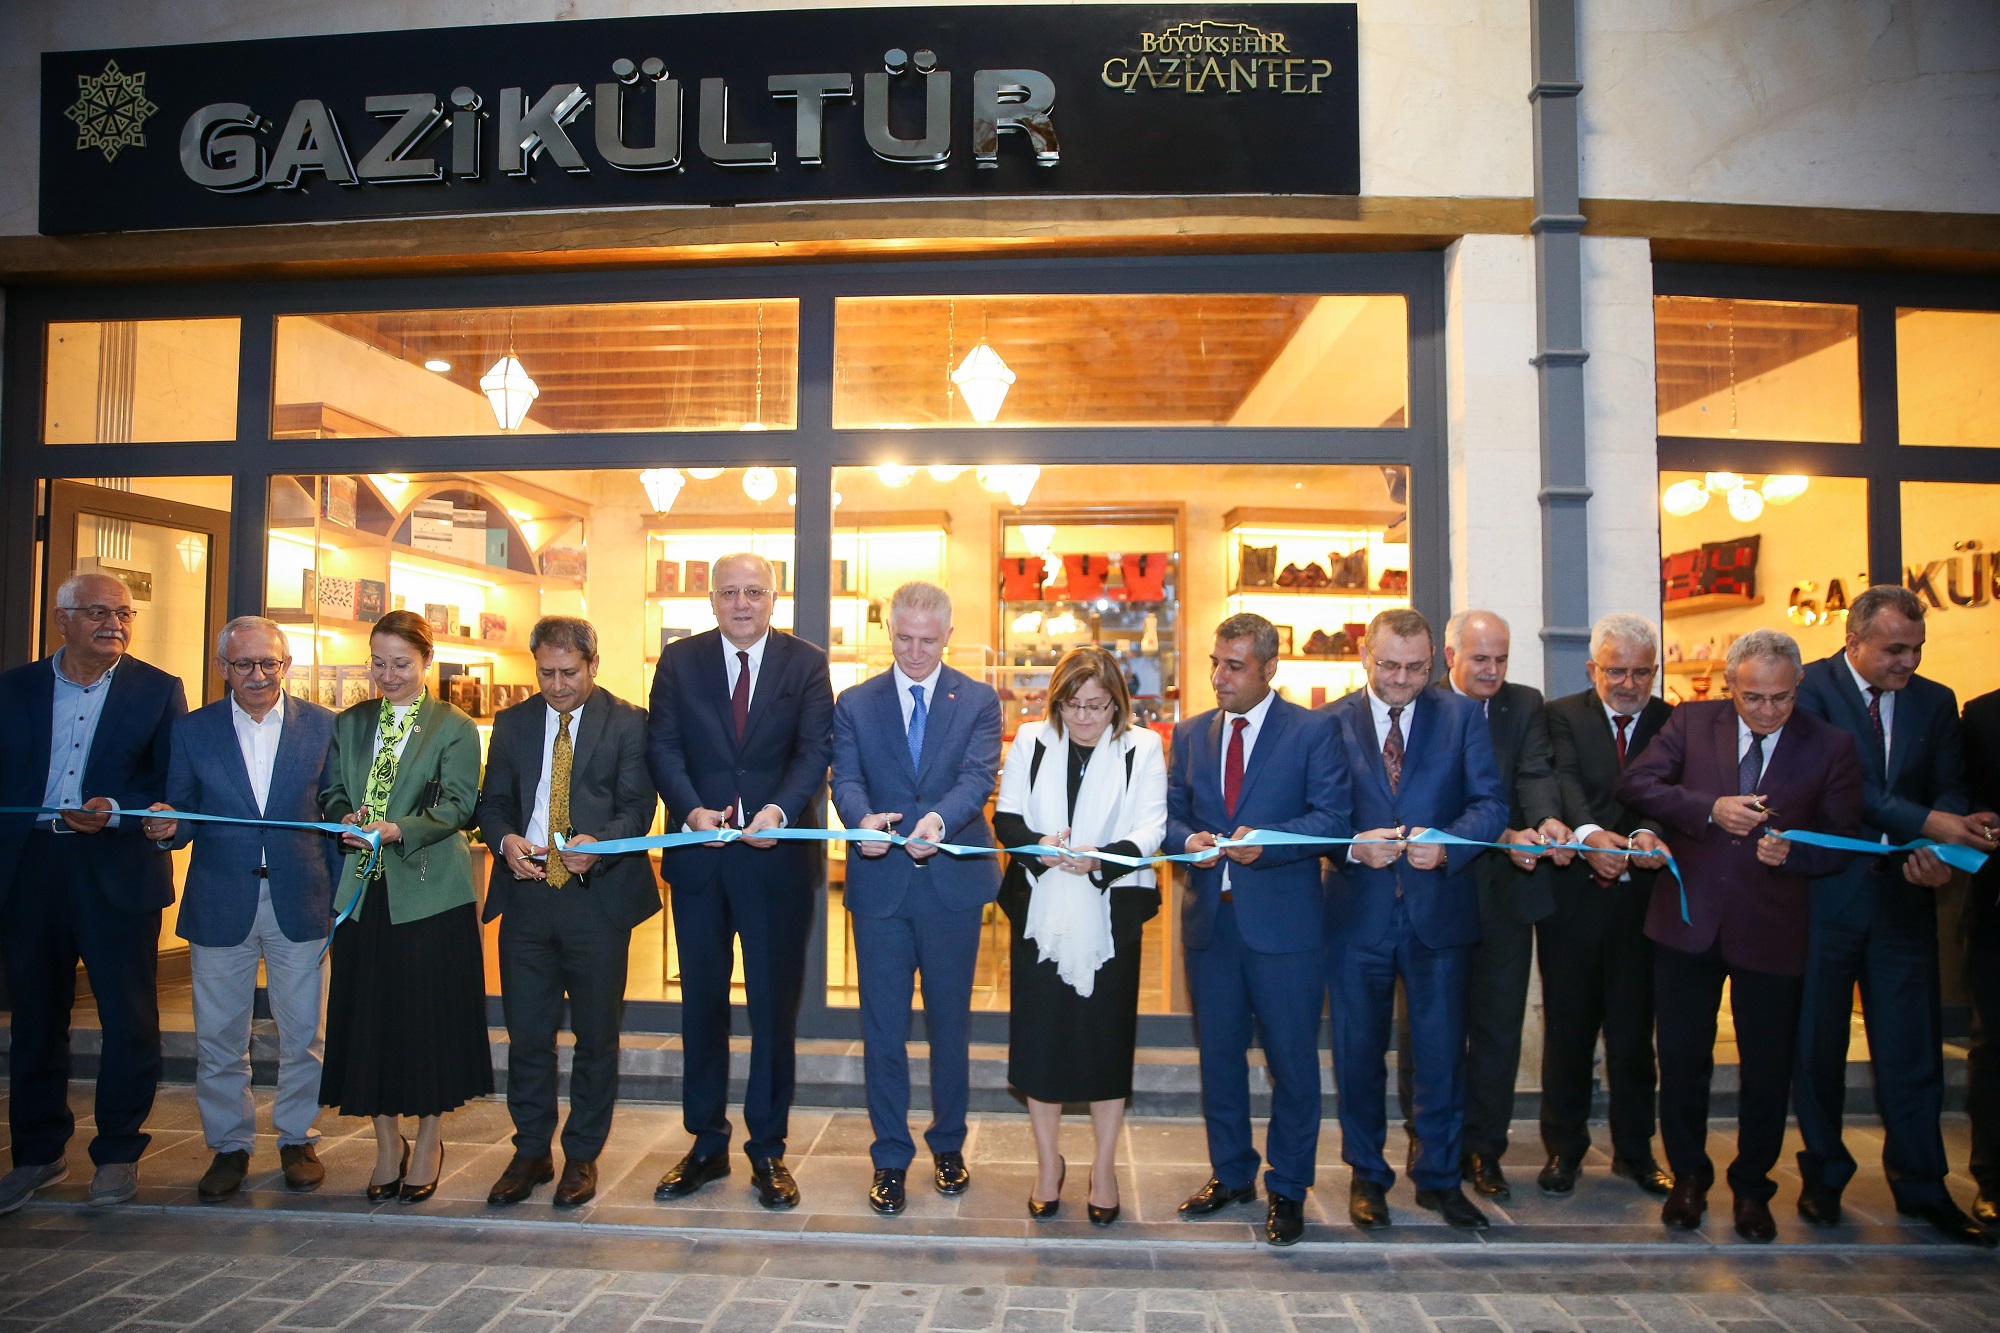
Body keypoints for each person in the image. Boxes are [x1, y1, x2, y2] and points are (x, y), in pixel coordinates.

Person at [1617, 627, 1864, 1242]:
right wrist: (1707, 809)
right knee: (1681, 1060)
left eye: (1781, 698)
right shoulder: (1690, 723)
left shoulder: (1830, 744)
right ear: (1730, 685)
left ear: (1798, 684)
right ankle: (1689, 1179)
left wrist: (1797, 854)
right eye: (1753, 697)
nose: (1768, 710)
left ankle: (1753, 1188)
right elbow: (1637, 784)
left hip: (1773, 927)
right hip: (1688, 920)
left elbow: (1844, 837)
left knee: (1767, 1068)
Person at [1791, 585, 1999, 1245]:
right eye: (1895, 649)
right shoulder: (1808, 690)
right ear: (1853, 641)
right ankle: (1824, 1178)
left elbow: (1951, 786)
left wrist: (1942, 849)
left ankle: (1923, 1186)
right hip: (1825, 898)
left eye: (1917, 649)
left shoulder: (1935, 701)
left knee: (1912, 1051)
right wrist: (1931, 823)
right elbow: (1843, 787)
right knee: (1818, 1047)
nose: (1908, 662)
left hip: (1904, 901)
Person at [648, 552, 835, 1210]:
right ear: (711, 599)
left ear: (774, 598)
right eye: (729, 591)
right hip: (700, 859)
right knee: (701, 1005)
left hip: (775, 861)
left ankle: (768, 1149)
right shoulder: (680, 661)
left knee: (771, 1011)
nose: (742, 603)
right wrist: (690, 810)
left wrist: (779, 810)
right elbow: (663, 745)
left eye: (754, 591)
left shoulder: (805, 663)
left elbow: (815, 749)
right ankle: (706, 1143)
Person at [0, 570, 186, 1213]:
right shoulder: (15, 688)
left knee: (129, 1017)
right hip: (31, 867)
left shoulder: (158, 690)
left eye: (124, 614)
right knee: (35, 1016)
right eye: (99, 612)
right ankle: (37, 1152)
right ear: (63, 619)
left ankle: (117, 1153)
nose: (115, 624)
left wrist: (117, 809)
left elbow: (171, 783)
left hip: (116, 867)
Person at [1167, 612, 1350, 1247]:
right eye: (1215, 663)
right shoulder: (1190, 734)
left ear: (1270, 668)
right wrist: (1186, 840)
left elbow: (1333, 820)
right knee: (1218, 1059)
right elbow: (1170, 815)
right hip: (1211, 926)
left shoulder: (1313, 730)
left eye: (1235, 666)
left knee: (1291, 1063)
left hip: (1285, 930)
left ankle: (1289, 1188)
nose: (1219, 677)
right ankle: (1232, 1174)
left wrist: (1268, 843)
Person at [140, 618, 339, 1202]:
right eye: (244, 664)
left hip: (302, 899)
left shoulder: (325, 726)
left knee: (305, 1033)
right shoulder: (192, 730)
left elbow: (336, 813)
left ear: (286, 664)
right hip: (220, 900)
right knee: (219, 1037)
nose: (258, 675)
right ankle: (229, 1146)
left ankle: (298, 1138)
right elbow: (184, 813)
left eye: (269, 663)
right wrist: (166, 828)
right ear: (222, 667)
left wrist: (342, 899)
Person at [1323, 608, 1508, 1231]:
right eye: (1389, 666)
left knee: (1440, 1056)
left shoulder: (1461, 716)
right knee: (1357, 1057)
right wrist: (1351, 847)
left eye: (1416, 668)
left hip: (1439, 915)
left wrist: (1449, 845)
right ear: (1364, 656)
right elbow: (1314, 813)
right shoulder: (1329, 723)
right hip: (1358, 917)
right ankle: (1367, 1177)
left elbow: (1490, 804)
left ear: (1435, 662)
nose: (1401, 680)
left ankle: (1438, 1179)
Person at [830, 582, 1002, 1216]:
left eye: (927, 640)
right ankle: (890, 1158)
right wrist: (861, 820)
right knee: (882, 1030)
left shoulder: (978, 700)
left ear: (948, 635)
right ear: (890, 632)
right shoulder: (855, 702)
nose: (915, 651)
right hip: (881, 889)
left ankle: (949, 1146)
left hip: (952, 885)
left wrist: (939, 821)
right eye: (903, 638)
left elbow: (977, 777)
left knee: (950, 1026)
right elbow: (845, 777)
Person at [476, 617, 659, 1210]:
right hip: (526, 899)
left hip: (595, 903)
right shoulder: (513, 723)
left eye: (568, 673)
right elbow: (492, 803)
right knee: (527, 1036)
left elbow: (639, 808)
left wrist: (598, 845)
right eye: (546, 673)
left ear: (593, 665)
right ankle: (531, 1151)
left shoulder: (628, 722)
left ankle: (581, 1156)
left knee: (596, 1037)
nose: (556, 685)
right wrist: (504, 840)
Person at [1393, 610, 1568, 1202]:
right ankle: (1426, 1138)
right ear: (1450, 658)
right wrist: (1500, 835)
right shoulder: (1423, 706)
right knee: (1428, 1028)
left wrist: (1545, 820)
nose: (1493, 671)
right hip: (1438, 892)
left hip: (1507, 896)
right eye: (1481, 659)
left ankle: (1484, 1150)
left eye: (1502, 659)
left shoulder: (1525, 705)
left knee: (1497, 1030)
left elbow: (1534, 774)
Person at [318, 609, 491, 1204]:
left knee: (426, 1021)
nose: (388, 675)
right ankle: (386, 1141)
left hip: (429, 892)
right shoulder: (351, 722)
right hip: (363, 893)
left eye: (401, 664)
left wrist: (398, 829)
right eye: (378, 663)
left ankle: (429, 1140)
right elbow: (331, 790)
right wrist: (343, 815)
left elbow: (459, 805)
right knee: (369, 1019)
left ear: (426, 662)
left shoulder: (454, 727)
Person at [993, 645, 1168, 1226]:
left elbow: (1151, 827)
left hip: (1112, 909)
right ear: (1056, 703)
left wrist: (1099, 860)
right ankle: (1049, 1164)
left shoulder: (1142, 747)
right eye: (1072, 705)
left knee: (1104, 1041)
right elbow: (1007, 818)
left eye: (1096, 705)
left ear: (1117, 703)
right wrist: (1043, 850)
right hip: (1041, 910)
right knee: (1041, 1041)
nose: (1084, 717)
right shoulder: (1032, 740)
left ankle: (1104, 1167)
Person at [1537, 613, 1675, 1199]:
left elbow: (1670, 791)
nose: (1628, 684)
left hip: (1643, 905)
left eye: (1641, 672)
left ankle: (1636, 1152)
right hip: (1573, 901)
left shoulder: (1672, 721)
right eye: (1616, 671)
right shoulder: (1560, 715)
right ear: (1593, 668)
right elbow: (1564, 782)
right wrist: (1591, 837)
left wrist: (1644, 834)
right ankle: (1563, 1149)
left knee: (1633, 1035)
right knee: (1568, 1031)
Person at [1961, 685, 2000, 1225]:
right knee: (1995, 1045)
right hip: (1997, 913)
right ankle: (1993, 1178)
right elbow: (1961, 801)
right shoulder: (1985, 716)